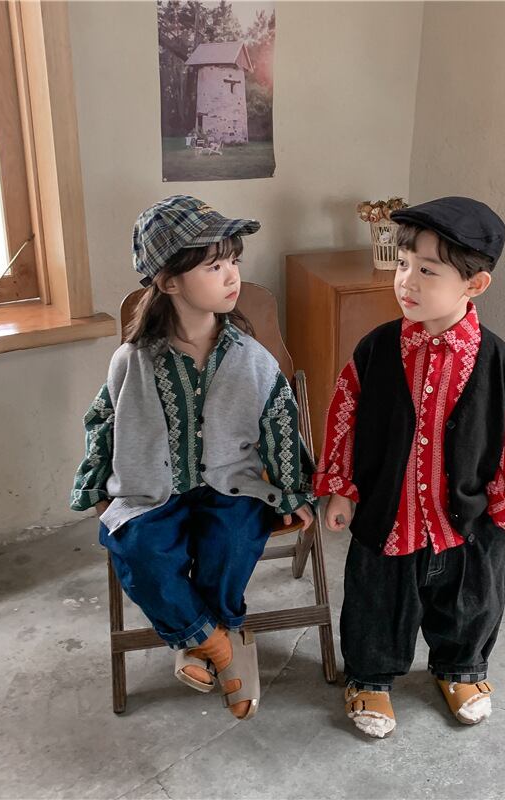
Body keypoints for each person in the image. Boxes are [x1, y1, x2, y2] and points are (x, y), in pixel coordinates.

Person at [71, 195, 314, 719]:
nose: (232, 276)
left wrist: (294, 491)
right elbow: (104, 419)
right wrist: (93, 483)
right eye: (214, 266)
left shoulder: (251, 359)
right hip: (148, 489)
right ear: (168, 282)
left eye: (234, 261)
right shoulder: (132, 360)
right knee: (139, 550)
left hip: (233, 483)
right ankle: (220, 644)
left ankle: (197, 638)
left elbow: (280, 420)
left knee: (233, 541)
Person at [315, 196, 505, 738]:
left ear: (474, 284)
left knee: (471, 598)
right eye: (403, 263)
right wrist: (341, 488)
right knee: (377, 599)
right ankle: (370, 676)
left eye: (427, 271)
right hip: (389, 512)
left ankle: (461, 668)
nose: (406, 281)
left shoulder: (496, 361)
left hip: (465, 516)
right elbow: (345, 412)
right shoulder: (377, 349)